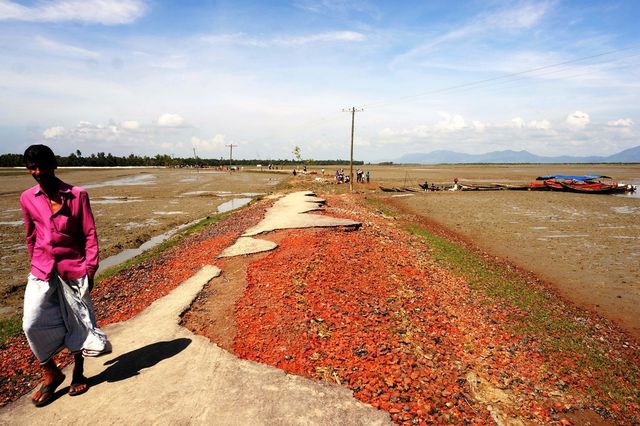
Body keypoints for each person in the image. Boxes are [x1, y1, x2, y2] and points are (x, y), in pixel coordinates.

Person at [20, 144, 111, 407]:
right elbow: (30, 235)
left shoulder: (77, 195)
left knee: (78, 321)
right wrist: (35, 262)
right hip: (41, 268)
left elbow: (89, 234)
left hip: (74, 268)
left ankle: (78, 371)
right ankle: (51, 370)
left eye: (41, 166)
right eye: (31, 168)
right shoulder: (28, 197)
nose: (37, 172)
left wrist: (90, 270)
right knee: (31, 323)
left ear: (53, 165)